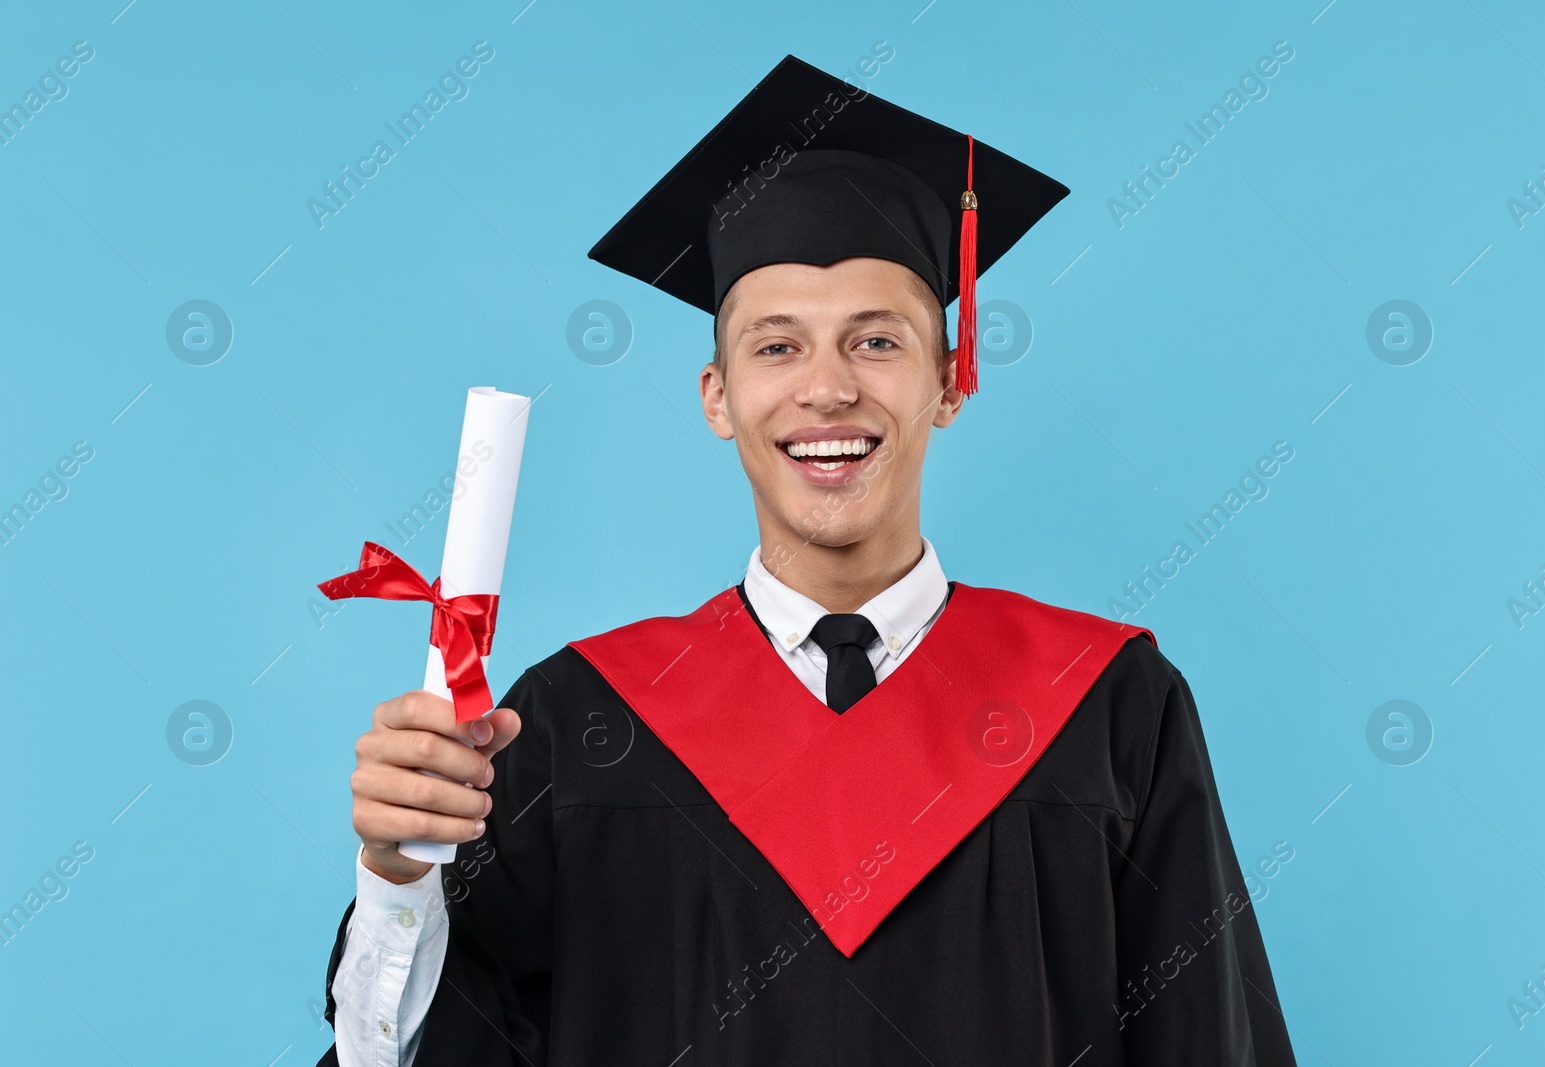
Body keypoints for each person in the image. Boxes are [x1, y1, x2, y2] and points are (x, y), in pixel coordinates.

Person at [316, 54, 1298, 1067]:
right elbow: (419, 1049)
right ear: (717, 396)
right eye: (776, 347)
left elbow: (1206, 1041)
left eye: (875, 342)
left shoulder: (1108, 704)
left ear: (950, 381)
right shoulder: (577, 720)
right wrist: (398, 877)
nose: (825, 389)